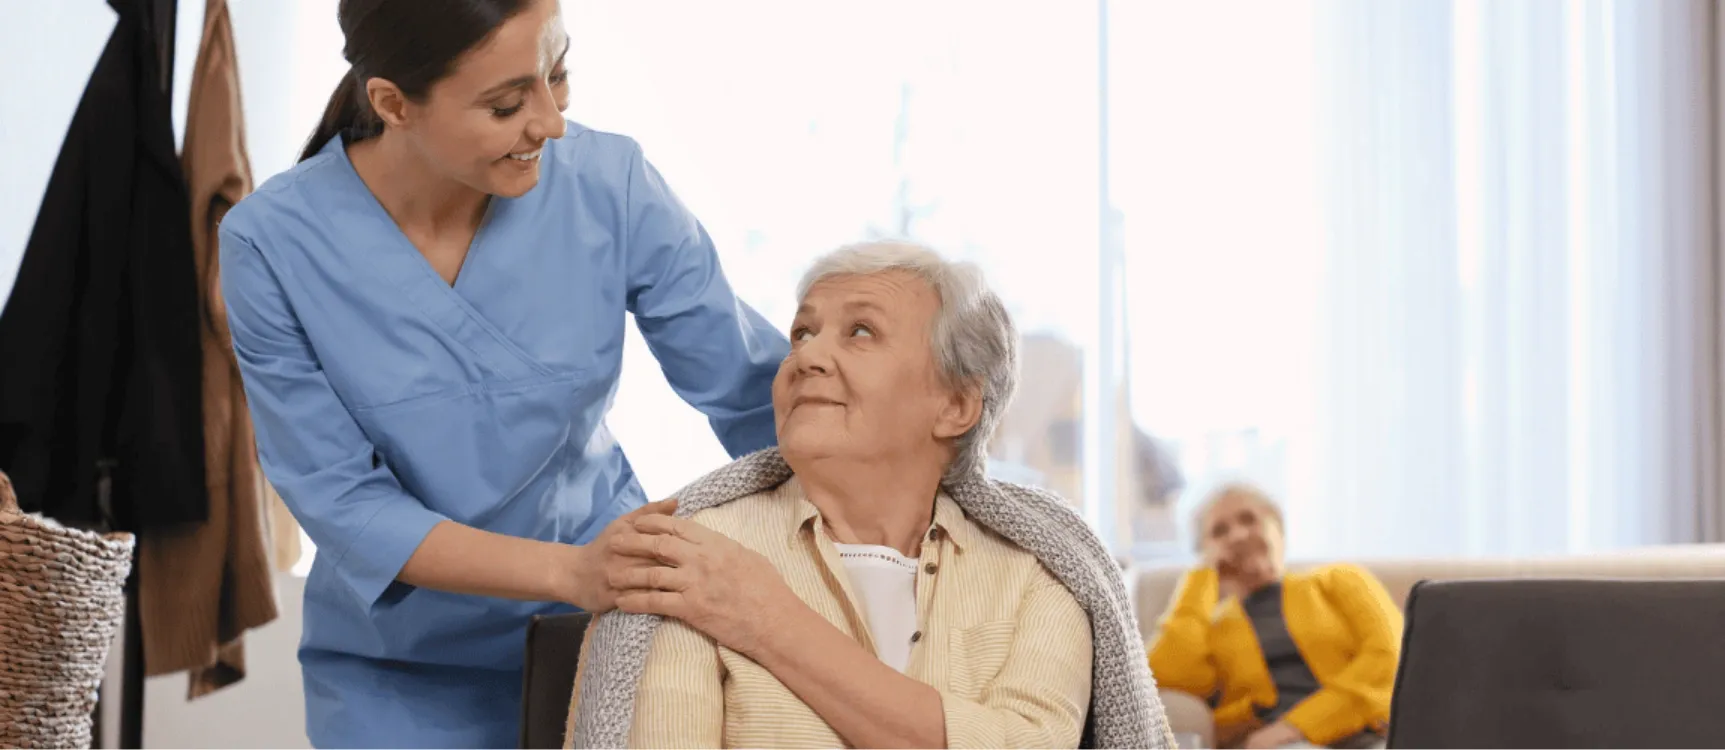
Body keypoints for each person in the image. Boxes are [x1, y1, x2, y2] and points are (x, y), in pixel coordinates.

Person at [217, 0, 786, 746]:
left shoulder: (606, 182)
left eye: (559, 75)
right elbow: (343, 500)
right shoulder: (272, 244)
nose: (549, 122)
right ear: (393, 103)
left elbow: (750, 391)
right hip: (398, 668)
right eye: (508, 102)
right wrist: (571, 571)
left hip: (606, 633)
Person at [565, 242, 1174, 749]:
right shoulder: (696, 554)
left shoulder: (1042, 571)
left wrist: (765, 617)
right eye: (802, 332)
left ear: (957, 405)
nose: (806, 356)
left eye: (860, 331)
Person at [1148, 484, 1403, 749]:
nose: (1237, 535)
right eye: (1219, 531)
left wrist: (1295, 726)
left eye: (1249, 519)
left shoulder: (1339, 580)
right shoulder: (1211, 628)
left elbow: (1389, 658)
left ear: (1277, 528)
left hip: (1371, 732)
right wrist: (1201, 579)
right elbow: (1162, 677)